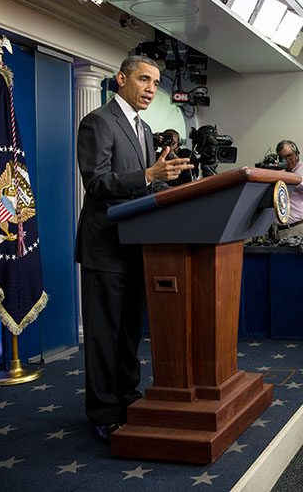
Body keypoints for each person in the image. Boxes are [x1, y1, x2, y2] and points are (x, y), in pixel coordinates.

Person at [75, 55, 193, 444]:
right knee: (103, 334)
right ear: (121, 79)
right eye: (144, 79)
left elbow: (145, 188)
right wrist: (148, 174)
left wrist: (173, 181)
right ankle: (103, 412)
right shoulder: (97, 122)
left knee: (128, 333)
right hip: (105, 246)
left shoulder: (144, 130)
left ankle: (127, 398)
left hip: (137, 245)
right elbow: (97, 184)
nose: (150, 88)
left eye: (156, 83)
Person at [274, 139, 303, 240]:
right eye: (282, 157)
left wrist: (294, 179)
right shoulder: (280, 173)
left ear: (297, 154)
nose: (286, 160)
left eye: (289, 156)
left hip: (301, 228)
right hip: (282, 230)